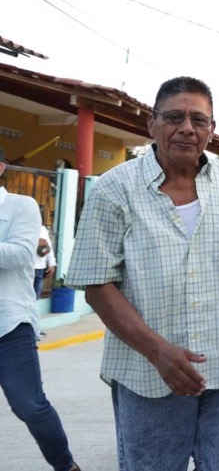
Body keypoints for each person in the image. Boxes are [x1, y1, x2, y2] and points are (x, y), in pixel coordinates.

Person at [67, 76, 219, 470]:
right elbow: (97, 286)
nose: (187, 128)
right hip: (149, 379)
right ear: (152, 124)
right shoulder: (116, 189)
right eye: (175, 117)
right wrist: (157, 351)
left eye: (199, 120)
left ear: (211, 130)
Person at [0, 147, 81, 471]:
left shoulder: (21, 206)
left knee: (29, 405)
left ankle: (65, 465)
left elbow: (21, 254)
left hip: (9, 323)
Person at [33, 224, 56, 299]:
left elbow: (49, 247)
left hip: (40, 269)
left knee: (36, 297)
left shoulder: (42, 229)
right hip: (26, 268)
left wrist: (51, 264)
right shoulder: (22, 227)